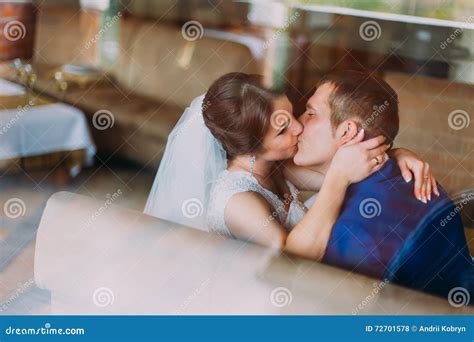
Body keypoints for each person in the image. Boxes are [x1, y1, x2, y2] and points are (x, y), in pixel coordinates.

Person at [145, 72, 437, 262]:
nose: (298, 127)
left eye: (292, 113)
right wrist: (337, 177)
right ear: (251, 146)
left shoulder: (278, 168)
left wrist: (396, 152)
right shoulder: (236, 201)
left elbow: (354, 167)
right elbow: (289, 261)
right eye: (282, 130)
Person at [291, 70, 472, 303]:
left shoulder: (357, 231)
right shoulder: (403, 178)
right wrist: (393, 152)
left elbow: (299, 287)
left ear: (347, 132)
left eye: (310, 113)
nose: (298, 124)